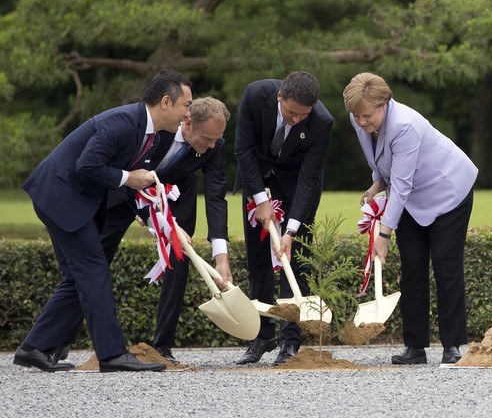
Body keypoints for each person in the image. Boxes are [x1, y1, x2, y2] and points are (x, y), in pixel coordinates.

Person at [14, 70, 193, 372]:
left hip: (66, 198)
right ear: (166, 101)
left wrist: (166, 228)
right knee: (94, 270)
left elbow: (140, 189)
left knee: (78, 277)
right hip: (60, 196)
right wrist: (127, 177)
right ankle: (111, 355)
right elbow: (88, 165)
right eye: (186, 105)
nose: (188, 113)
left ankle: (34, 347)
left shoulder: (149, 135)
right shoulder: (122, 122)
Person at [52, 97, 234, 365]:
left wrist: (221, 256)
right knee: (92, 263)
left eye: (215, 140)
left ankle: (162, 345)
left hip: (175, 195)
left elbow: (217, 196)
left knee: (179, 261)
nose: (210, 146)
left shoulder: (214, 144)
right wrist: (145, 214)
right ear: (187, 122)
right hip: (123, 191)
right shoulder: (158, 128)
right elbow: (123, 166)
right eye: (206, 138)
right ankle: (60, 339)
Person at [342, 73, 478, 365]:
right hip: (410, 197)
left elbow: (401, 186)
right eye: (356, 116)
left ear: (384, 104)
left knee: (445, 264)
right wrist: (377, 182)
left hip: (447, 190)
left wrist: (384, 234)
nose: (361, 122)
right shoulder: (359, 118)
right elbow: (379, 159)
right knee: (412, 267)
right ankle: (414, 346)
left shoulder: (405, 125)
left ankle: (452, 345)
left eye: (367, 116)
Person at [233, 71, 333, 365]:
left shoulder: (322, 122)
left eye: (303, 115)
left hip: (297, 187)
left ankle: (290, 341)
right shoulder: (254, 95)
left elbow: (308, 178)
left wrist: (290, 231)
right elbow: (243, 149)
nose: (297, 120)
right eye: (291, 113)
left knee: (296, 261)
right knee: (258, 261)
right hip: (257, 179)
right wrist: (260, 200)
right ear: (280, 97)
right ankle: (261, 335)